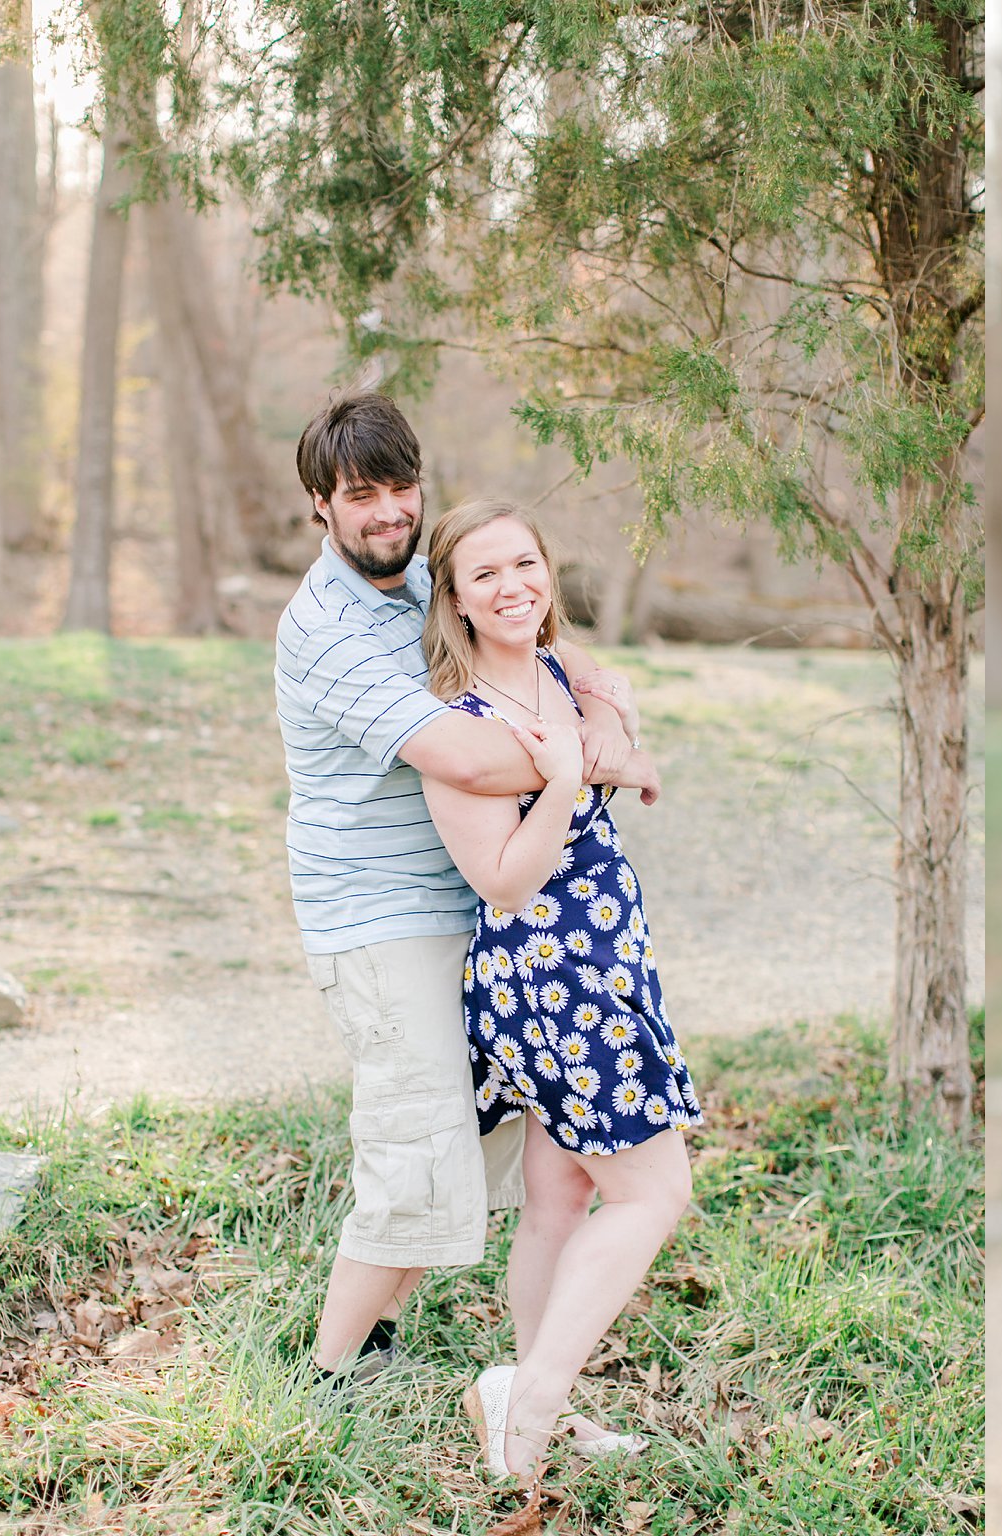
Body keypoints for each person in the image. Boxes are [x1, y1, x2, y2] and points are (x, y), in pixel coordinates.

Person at [276, 392, 660, 1395]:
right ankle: (330, 1375)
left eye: (401, 488)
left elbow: (545, 647)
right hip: (379, 914)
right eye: (362, 494)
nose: (388, 512)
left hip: (469, 910)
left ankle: (381, 1338)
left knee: (469, 1136)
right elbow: (469, 759)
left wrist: (606, 710)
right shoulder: (325, 629)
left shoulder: (416, 584)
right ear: (320, 502)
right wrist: (587, 759)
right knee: (416, 1142)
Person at [414, 498, 697, 1482]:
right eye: (484, 574)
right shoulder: (457, 726)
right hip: (552, 981)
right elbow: (501, 878)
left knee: (558, 1197)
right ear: (452, 599)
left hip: (604, 962)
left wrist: (612, 734)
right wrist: (571, 780)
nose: (512, 587)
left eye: (524, 563)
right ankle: (523, 1403)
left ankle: (543, 1403)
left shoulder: (556, 672)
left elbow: (609, 710)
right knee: (655, 1190)